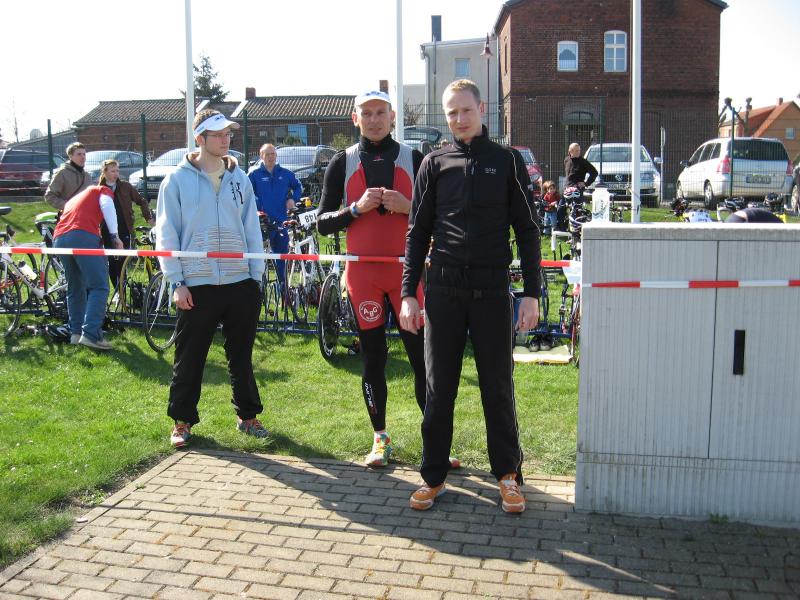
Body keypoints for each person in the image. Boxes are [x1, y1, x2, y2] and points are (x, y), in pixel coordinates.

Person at [399, 79, 541, 514]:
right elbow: (417, 232)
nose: (458, 119)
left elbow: (528, 230)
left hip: (492, 291)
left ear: (482, 109)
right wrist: (408, 294)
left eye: (465, 110)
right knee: (438, 388)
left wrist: (532, 294)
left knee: (497, 387)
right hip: (443, 290)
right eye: (451, 113)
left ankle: (508, 475)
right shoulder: (433, 163)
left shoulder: (507, 161)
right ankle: (433, 476)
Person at [317, 90, 447, 469]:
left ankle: (436, 442)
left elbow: (442, 216)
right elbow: (322, 223)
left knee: (423, 361)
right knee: (373, 360)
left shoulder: (416, 159)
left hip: (408, 275)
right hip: (364, 277)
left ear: (392, 117)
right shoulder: (342, 162)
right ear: (355, 118)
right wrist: (356, 209)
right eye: (367, 113)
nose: (374, 119)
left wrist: (409, 206)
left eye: (380, 113)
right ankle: (380, 439)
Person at [154, 109, 266, 448]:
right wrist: (177, 282)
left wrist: (255, 277)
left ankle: (248, 416)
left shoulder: (240, 178)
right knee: (190, 357)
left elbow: (251, 229)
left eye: (228, 133)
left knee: (241, 355)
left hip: (240, 281)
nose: (225, 139)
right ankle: (182, 421)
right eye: (217, 134)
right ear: (199, 138)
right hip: (196, 283)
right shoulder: (176, 180)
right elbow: (166, 234)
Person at [52, 184, 124, 350]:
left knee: (75, 287)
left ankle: (75, 334)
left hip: (59, 238)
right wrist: (115, 236)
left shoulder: (76, 198)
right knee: (99, 287)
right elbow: (107, 204)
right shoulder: (102, 190)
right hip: (82, 236)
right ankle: (91, 335)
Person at [247, 144, 302, 289]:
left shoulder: (285, 173)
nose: (271, 157)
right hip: (262, 222)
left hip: (281, 221)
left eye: (273, 154)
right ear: (261, 156)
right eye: (267, 154)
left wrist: (293, 199)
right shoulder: (254, 174)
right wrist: (258, 205)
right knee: (259, 256)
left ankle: (282, 287)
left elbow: (298, 187)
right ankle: (259, 286)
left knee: (281, 255)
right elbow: (247, 193)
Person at [98, 159, 155, 290]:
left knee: (123, 261)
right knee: (112, 261)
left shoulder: (125, 186)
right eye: (113, 171)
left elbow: (141, 201)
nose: (116, 174)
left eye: (117, 171)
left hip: (124, 228)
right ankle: (117, 290)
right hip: (106, 229)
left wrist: (148, 218)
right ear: (105, 172)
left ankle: (123, 288)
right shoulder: (99, 189)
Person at [45, 142, 92, 210]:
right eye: (79, 154)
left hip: (86, 213)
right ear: (70, 156)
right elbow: (50, 196)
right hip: (69, 214)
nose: (83, 157)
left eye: (84, 154)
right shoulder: (62, 173)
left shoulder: (87, 176)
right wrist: (68, 206)